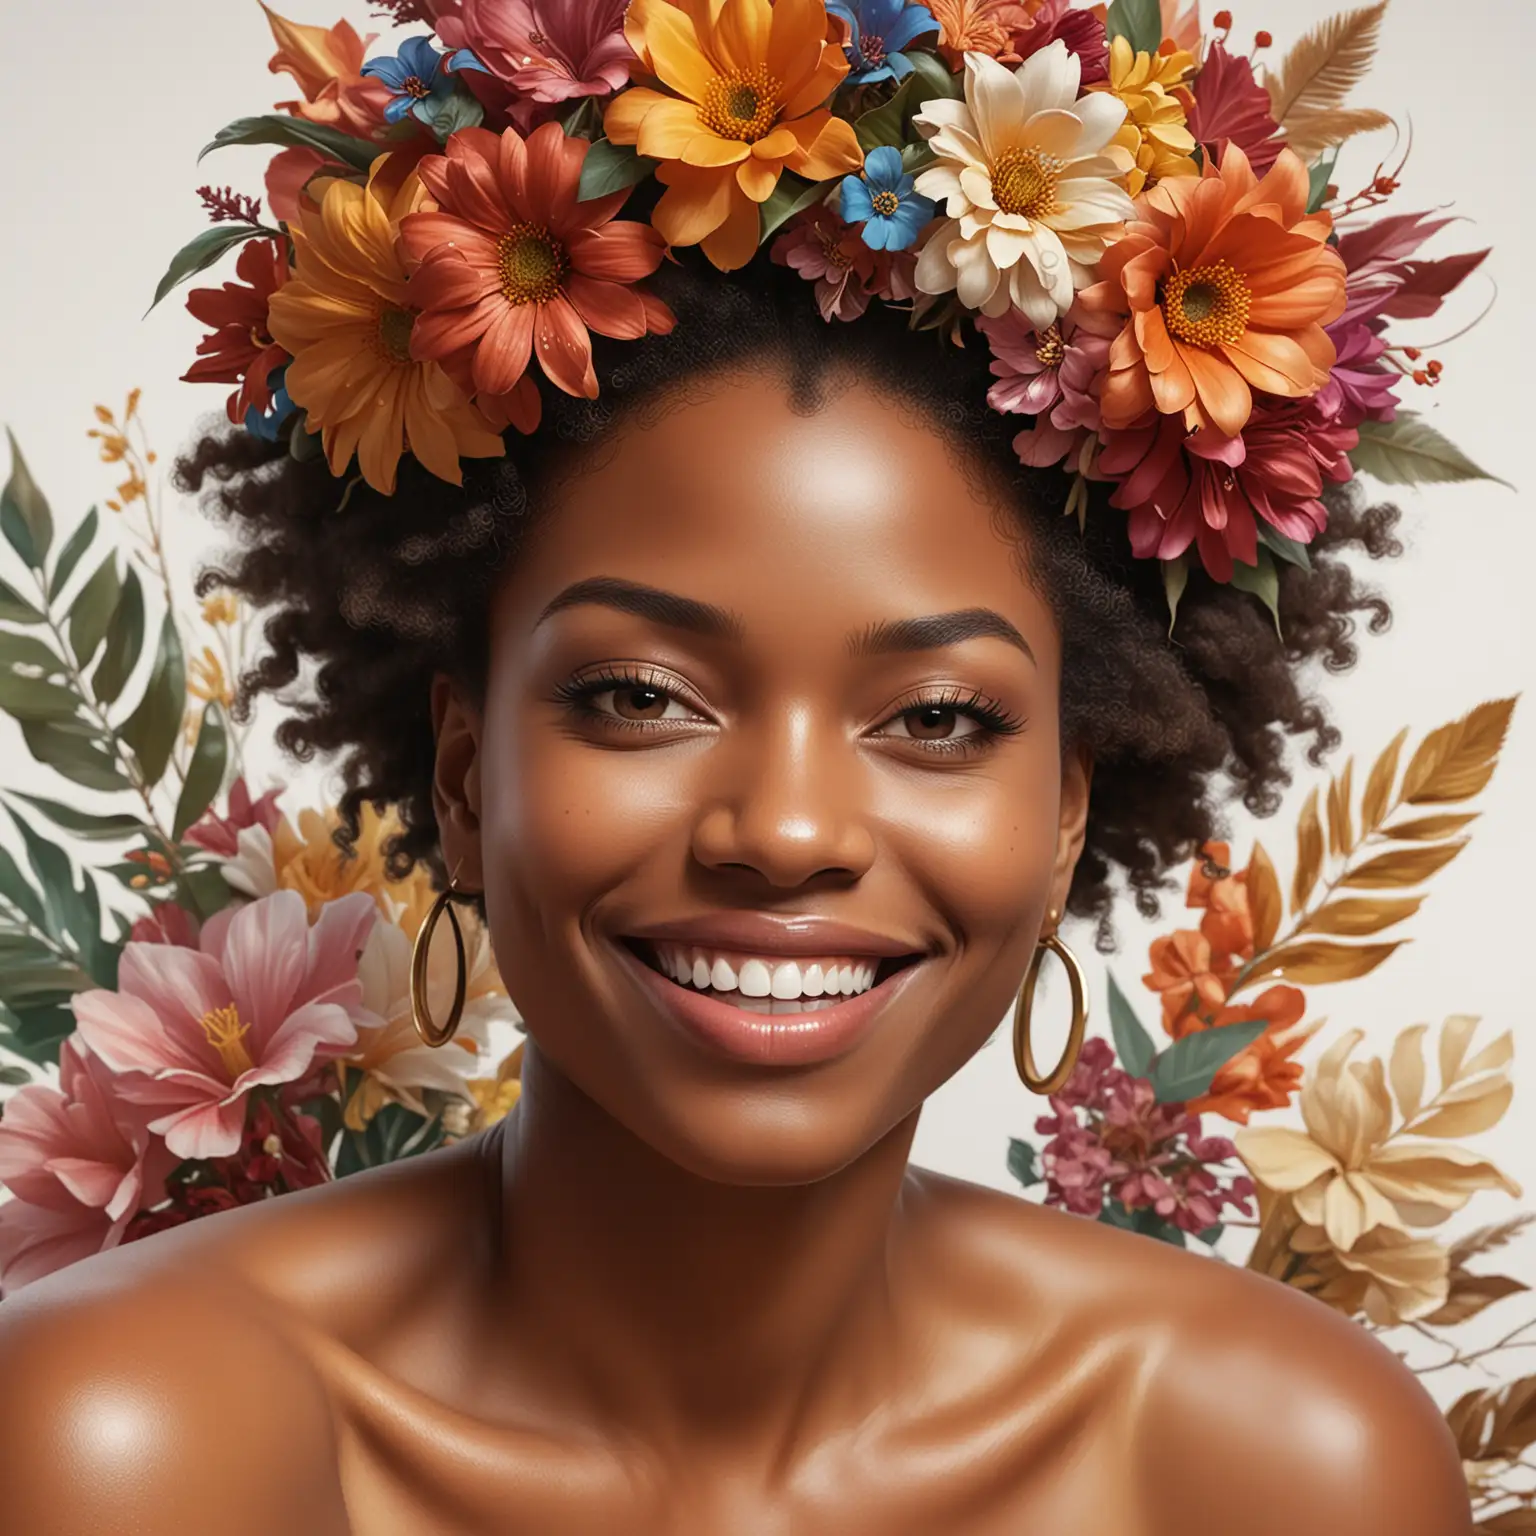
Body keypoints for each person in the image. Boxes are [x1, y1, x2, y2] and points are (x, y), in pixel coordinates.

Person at [0, 250, 1469, 1532]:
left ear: (1068, 812)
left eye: (940, 718)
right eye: (641, 696)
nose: (783, 831)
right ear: (463, 777)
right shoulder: (122, 1441)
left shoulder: (1282, 1468)